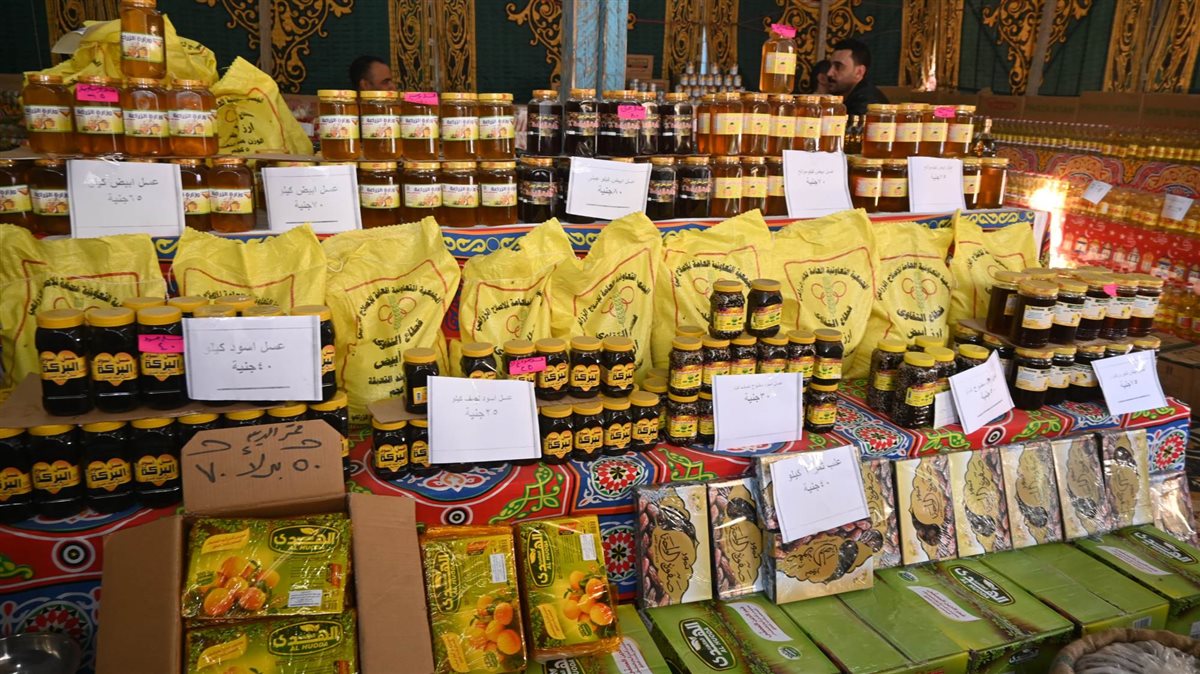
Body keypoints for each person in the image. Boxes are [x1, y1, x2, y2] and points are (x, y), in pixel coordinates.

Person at [825, 38, 887, 115]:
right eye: (830, 66)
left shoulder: (867, 104)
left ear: (859, 72)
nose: (829, 73)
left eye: (838, 66)